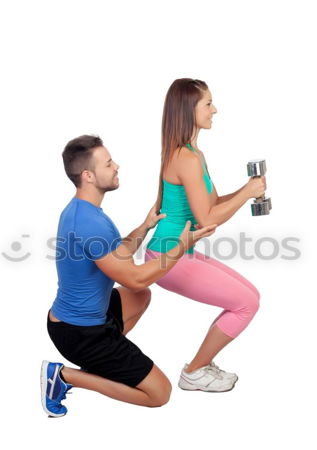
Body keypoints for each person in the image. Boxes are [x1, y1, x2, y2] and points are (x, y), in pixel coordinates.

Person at [41, 134, 216, 417]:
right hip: (78, 334)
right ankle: (63, 377)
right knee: (160, 393)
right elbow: (134, 278)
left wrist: (145, 227)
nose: (117, 166)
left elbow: (118, 254)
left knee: (140, 297)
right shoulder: (87, 222)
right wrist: (181, 245)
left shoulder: (86, 211)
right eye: (108, 163)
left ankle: (103, 363)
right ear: (88, 175)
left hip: (82, 318)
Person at [145, 78, 266, 392]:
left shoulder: (191, 153)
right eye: (208, 104)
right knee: (246, 303)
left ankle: (201, 365)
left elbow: (211, 203)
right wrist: (248, 193)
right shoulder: (184, 158)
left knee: (249, 295)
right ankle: (195, 372)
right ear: (189, 110)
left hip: (178, 252)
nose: (215, 110)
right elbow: (207, 221)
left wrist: (247, 190)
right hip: (165, 257)